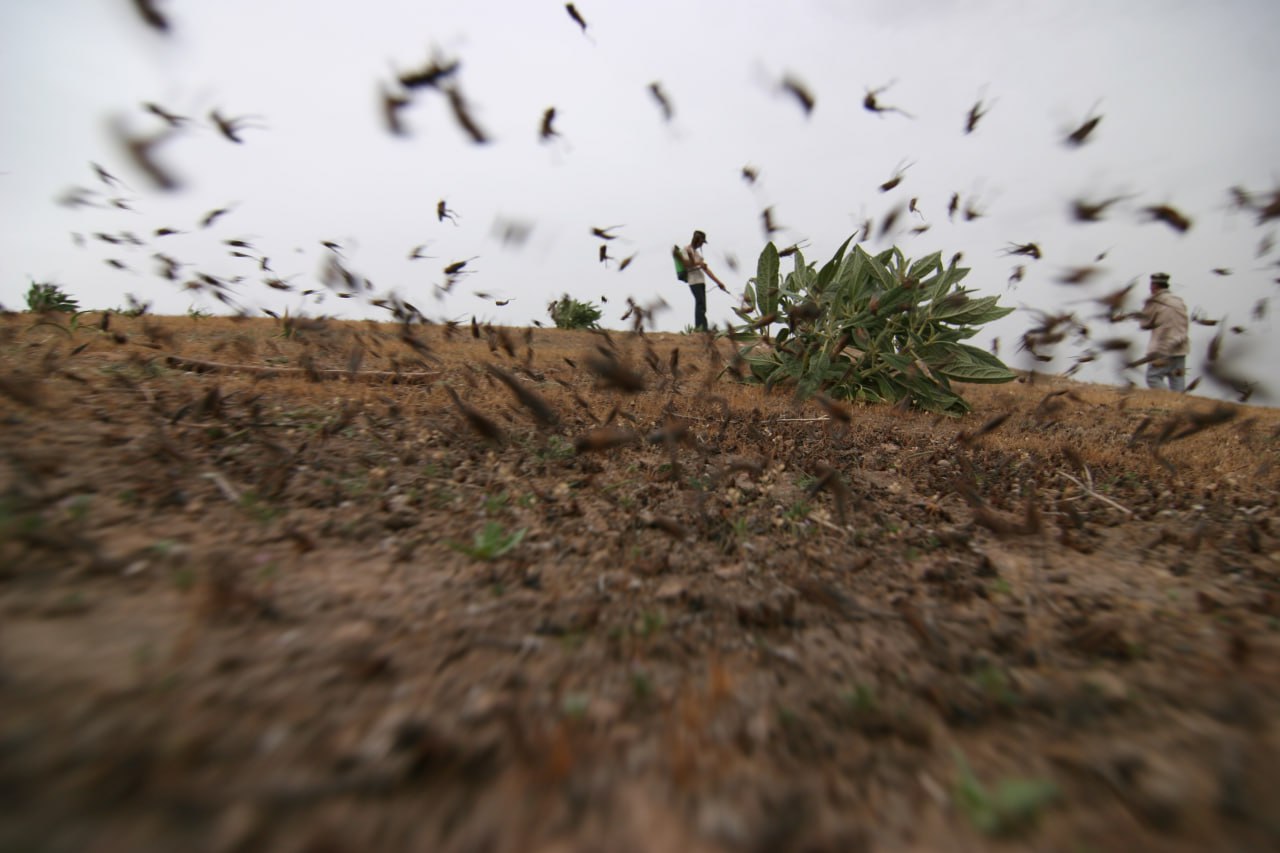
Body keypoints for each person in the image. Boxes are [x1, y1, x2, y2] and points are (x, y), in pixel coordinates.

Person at [1137, 272, 1190, 391]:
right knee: (1177, 381)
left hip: (1162, 347)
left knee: (1153, 377)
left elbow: (1144, 324)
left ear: (1154, 286)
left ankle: (1170, 400)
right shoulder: (1178, 301)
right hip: (1180, 347)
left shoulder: (1155, 301)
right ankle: (1180, 405)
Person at [682, 229, 725, 332]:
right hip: (694, 281)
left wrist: (718, 283)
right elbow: (686, 264)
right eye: (702, 241)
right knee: (700, 303)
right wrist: (699, 264)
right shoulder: (686, 250)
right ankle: (700, 329)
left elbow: (706, 270)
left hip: (701, 281)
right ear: (697, 240)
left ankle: (702, 328)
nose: (702, 244)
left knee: (702, 305)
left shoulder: (696, 253)